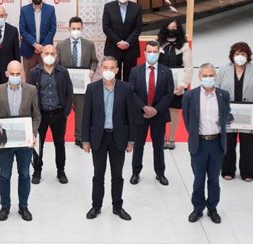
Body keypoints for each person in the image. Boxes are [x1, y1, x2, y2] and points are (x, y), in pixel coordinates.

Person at [81, 57, 136, 221]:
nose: (109, 71)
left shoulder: (126, 88)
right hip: (98, 137)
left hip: (118, 138)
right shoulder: (92, 89)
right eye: (105, 67)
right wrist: (85, 140)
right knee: (98, 174)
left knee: (117, 175)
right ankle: (96, 206)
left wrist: (131, 140)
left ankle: (117, 206)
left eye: (112, 68)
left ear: (117, 70)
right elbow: (86, 117)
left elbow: (131, 117)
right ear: (100, 69)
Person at [0, 61, 41, 222]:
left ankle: (23, 206)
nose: (15, 77)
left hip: (24, 143)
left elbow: (36, 115)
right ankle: (5, 206)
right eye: (12, 74)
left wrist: (32, 135)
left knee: (24, 174)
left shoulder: (31, 90)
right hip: (4, 143)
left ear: (22, 74)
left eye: (18, 74)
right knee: (4, 175)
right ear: (7, 74)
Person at [183, 63, 232, 224]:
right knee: (198, 179)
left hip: (217, 143)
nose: (208, 78)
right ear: (199, 77)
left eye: (211, 75)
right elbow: (187, 120)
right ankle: (197, 208)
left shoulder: (223, 95)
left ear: (215, 76)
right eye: (205, 75)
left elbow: (226, 116)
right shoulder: (190, 96)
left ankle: (212, 208)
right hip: (199, 144)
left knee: (214, 179)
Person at [218, 42, 253, 182]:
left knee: (247, 145)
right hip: (228, 113)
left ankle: (247, 172)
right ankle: (228, 170)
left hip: (250, 114)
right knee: (228, 144)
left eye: (243, 54)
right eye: (237, 54)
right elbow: (217, 90)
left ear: (248, 56)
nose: (240, 57)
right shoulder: (223, 70)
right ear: (232, 56)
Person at [128, 41, 174, 186]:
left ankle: (160, 173)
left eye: (155, 51)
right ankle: (136, 172)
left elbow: (169, 93)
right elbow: (132, 92)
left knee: (158, 145)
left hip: (158, 115)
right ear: (145, 53)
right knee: (138, 144)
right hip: (140, 114)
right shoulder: (135, 71)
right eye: (149, 51)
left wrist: (156, 109)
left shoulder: (167, 71)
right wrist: (144, 107)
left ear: (159, 52)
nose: (152, 54)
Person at [28, 44, 74, 185]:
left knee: (59, 143)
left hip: (58, 114)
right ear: (41, 55)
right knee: (37, 145)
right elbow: (29, 94)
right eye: (46, 53)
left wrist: (65, 112)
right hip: (40, 115)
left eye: (52, 53)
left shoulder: (63, 72)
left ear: (56, 55)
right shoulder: (34, 72)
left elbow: (69, 92)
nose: (49, 55)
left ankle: (61, 171)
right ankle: (37, 170)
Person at [56, 16, 99, 147]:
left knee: (81, 111)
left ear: (82, 28)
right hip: (66, 85)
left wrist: (92, 71)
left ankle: (79, 137)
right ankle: (59, 137)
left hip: (82, 84)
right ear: (69, 28)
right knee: (62, 111)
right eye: (73, 28)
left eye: (78, 28)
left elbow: (94, 61)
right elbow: (57, 64)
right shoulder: (61, 45)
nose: (76, 30)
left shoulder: (89, 44)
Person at [156, 18, 193, 149]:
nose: (172, 30)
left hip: (178, 86)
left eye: (174, 27)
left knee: (173, 111)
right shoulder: (158, 44)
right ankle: (160, 137)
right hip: (160, 85)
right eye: (169, 27)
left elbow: (189, 68)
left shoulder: (185, 46)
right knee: (159, 111)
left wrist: (183, 85)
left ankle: (171, 138)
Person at [102, 0, 142, 81]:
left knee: (131, 77)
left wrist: (127, 42)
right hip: (113, 47)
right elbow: (106, 27)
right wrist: (118, 42)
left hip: (131, 48)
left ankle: (129, 96)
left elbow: (138, 28)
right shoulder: (108, 7)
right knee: (113, 76)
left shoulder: (136, 7)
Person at [19, 0, 57, 78]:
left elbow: (52, 29)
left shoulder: (50, 9)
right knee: (29, 79)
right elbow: (22, 30)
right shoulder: (24, 10)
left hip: (45, 51)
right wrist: (35, 44)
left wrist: (42, 47)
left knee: (45, 78)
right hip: (28, 51)